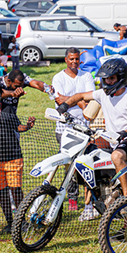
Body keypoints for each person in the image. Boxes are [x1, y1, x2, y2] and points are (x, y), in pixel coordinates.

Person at [56, 58, 127, 197]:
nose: (108, 82)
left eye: (111, 78)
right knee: (88, 158)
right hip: (114, 142)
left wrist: (123, 133)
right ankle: (96, 200)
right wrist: (65, 106)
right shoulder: (102, 94)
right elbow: (80, 96)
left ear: (121, 78)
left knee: (116, 156)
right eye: (106, 78)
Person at [0, 78, 34, 233]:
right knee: (2, 192)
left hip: (13, 156)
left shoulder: (8, 109)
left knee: (16, 189)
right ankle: (10, 222)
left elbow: (16, 127)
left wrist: (27, 126)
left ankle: (21, 221)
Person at [52, 48, 94, 214]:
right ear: (66, 60)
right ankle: (72, 197)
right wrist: (80, 100)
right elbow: (59, 99)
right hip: (65, 128)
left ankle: (90, 200)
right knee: (69, 164)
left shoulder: (86, 76)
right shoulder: (58, 78)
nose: (74, 62)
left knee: (85, 162)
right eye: (71, 59)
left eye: (77, 59)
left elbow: (90, 97)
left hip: (84, 126)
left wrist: (76, 100)